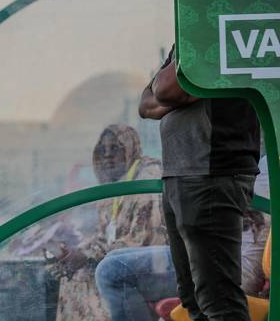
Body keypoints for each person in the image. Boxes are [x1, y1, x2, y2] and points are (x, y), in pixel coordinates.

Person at [139, 40, 260, 320]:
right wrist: (176, 93)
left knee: (219, 302)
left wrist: (169, 93)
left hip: (210, 173)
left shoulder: (214, 25)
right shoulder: (185, 35)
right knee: (194, 301)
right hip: (182, 174)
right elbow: (146, 105)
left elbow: (164, 90)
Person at [95, 154, 271, 320]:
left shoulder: (268, 169)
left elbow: (252, 248)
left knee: (113, 271)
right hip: (210, 252)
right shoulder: (262, 163)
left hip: (224, 267)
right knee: (114, 260)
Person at [53, 124, 166, 319]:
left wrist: (88, 256)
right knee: (72, 276)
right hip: (120, 262)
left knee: (89, 278)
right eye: (102, 150)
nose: (107, 155)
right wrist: (74, 253)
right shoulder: (114, 188)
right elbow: (102, 236)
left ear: (131, 148)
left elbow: (144, 240)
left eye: (115, 148)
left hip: (154, 266)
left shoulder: (147, 177)